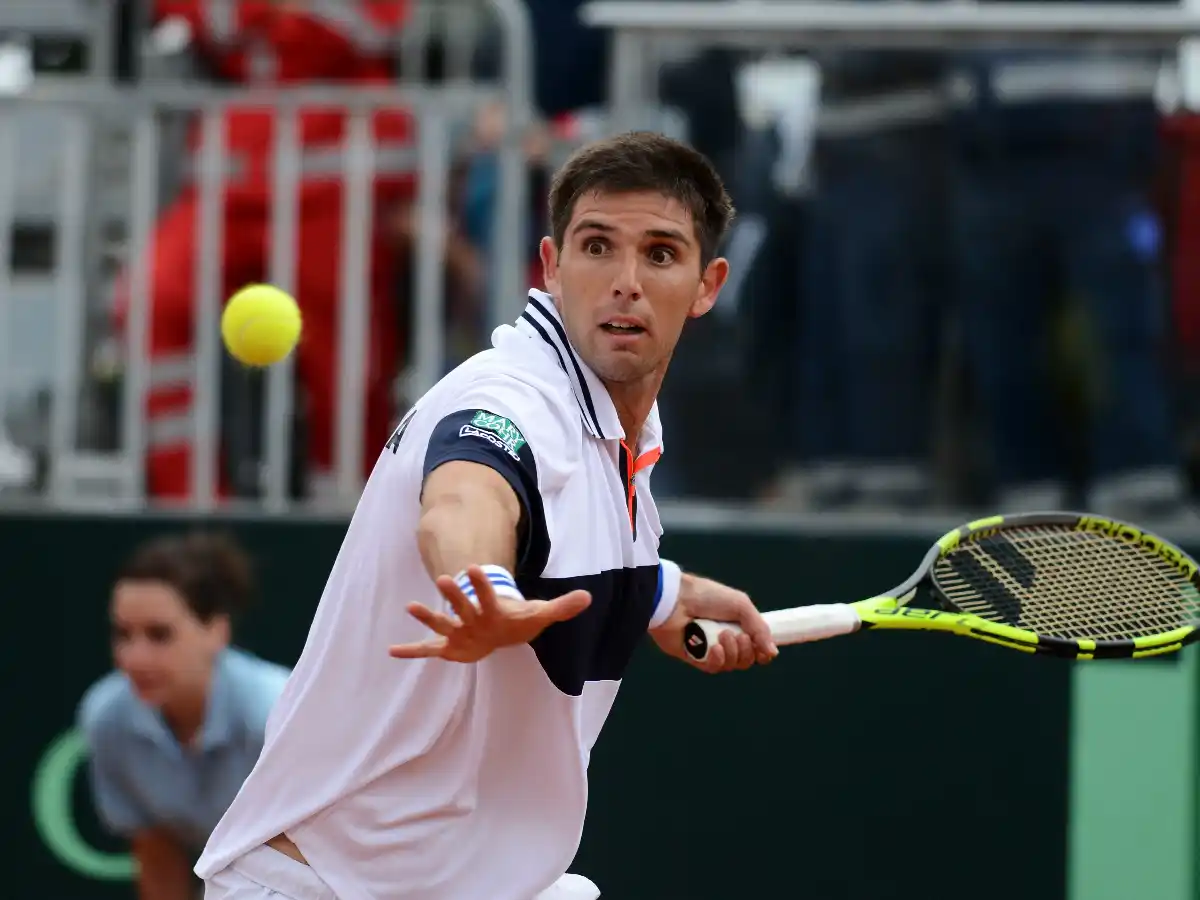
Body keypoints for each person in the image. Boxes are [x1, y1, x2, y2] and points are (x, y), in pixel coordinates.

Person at [194, 132, 779, 900]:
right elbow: (466, 498)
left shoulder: (615, 430)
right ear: (551, 266)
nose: (625, 282)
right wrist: (483, 588)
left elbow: (560, 540)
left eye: (661, 254)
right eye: (597, 246)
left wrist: (660, 594)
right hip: (323, 886)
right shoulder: (505, 399)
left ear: (707, 285)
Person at [119, 0, 416, 500]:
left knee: (347, 357)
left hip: (342, 179)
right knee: (152, 297)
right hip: (231, 176)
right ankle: (189, 506)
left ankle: (346, 517)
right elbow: (200, 14)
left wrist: (252, 17)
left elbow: (363, 27)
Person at [77, 532, 290, 900]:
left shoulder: (273, 713)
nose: (134, 658)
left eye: (160, 635)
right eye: (122, 634)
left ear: (216, 632)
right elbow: (158, 858)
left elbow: (303, 862)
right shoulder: (106, 719)